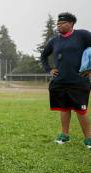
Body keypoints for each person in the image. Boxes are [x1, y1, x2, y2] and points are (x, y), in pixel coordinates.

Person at [41, 12, 91, 148]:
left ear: (71, 24)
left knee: (81, 111)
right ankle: (65, 136)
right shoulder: (54, 41)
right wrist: (49, 69)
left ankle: (88, 139)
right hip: (60, 81)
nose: (59, 26)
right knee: (64, 109)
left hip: (79, 81)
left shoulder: (83, 35)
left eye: (62, 23)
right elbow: (44, 56)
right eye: (57, 24)